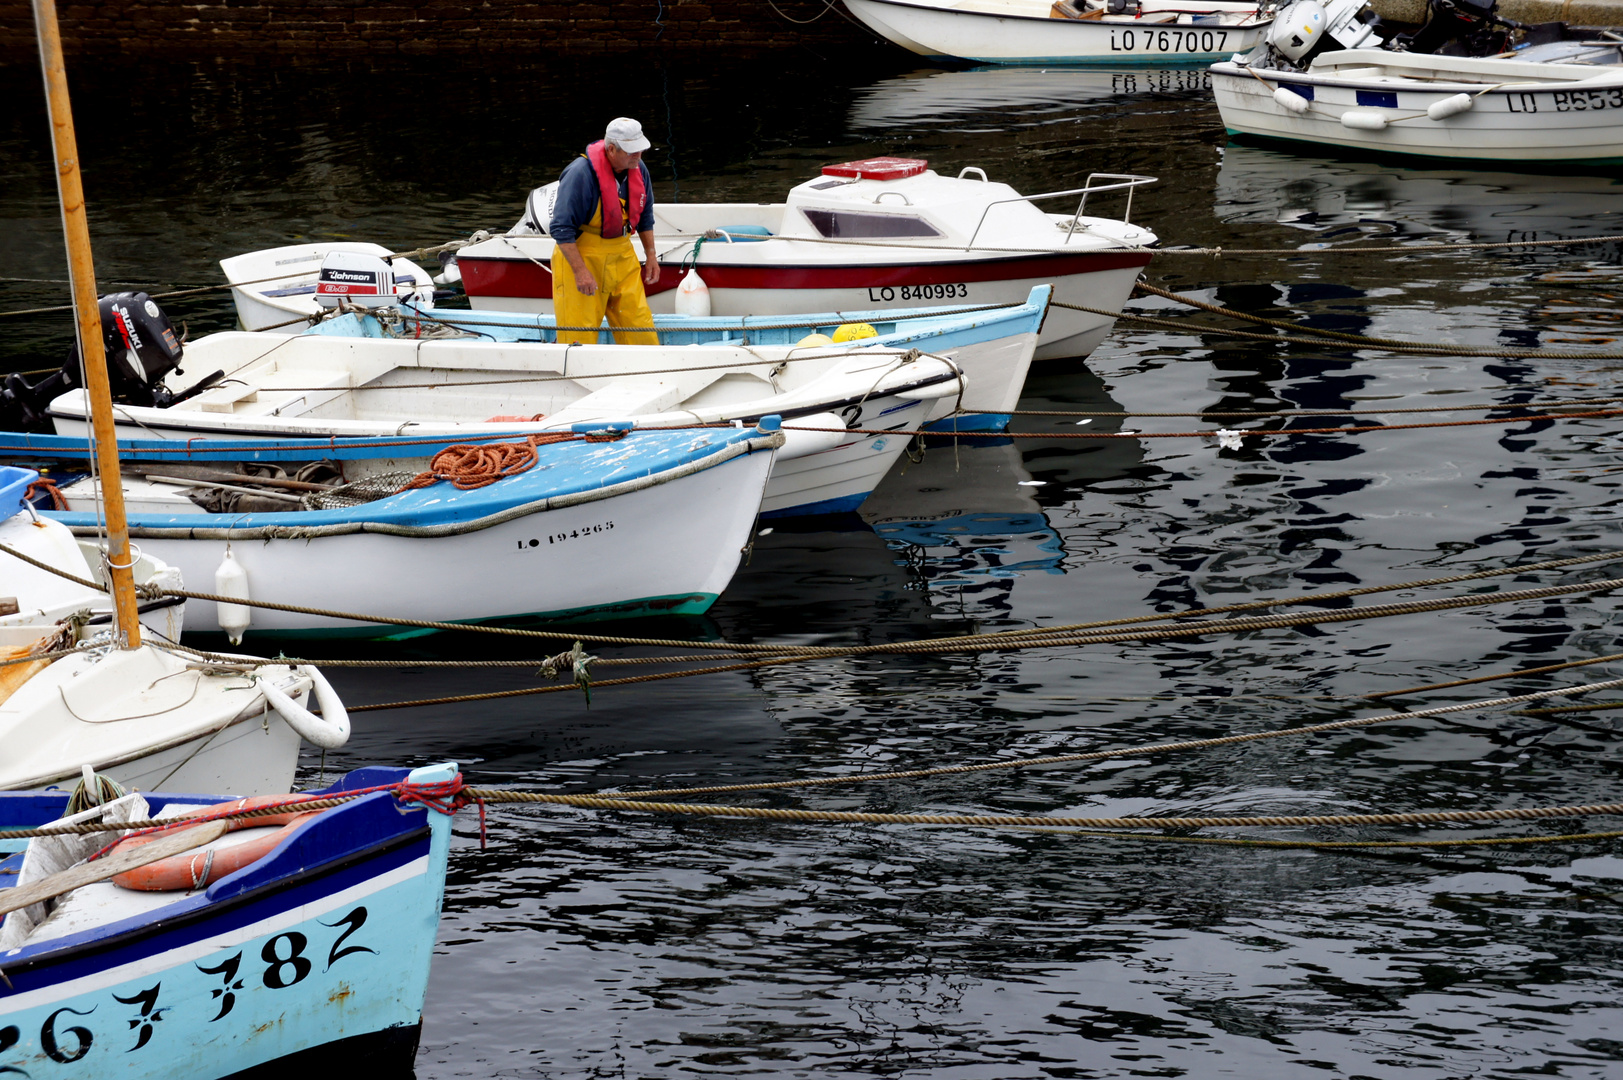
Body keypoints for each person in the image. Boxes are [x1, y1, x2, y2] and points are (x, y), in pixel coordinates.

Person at [549, 117, 661, 346]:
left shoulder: (638, 168)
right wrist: (580, 272)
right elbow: (561, 228)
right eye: (631, 151)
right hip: (583, 257)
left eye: (640, 149)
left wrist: (651, 255)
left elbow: (645, 215)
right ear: (611, 149)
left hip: (622, 254)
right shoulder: (579, 173)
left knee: (640, 329)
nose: (638, 156)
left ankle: (646, 374)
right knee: (578, 336)